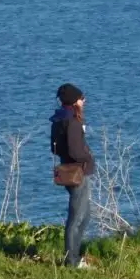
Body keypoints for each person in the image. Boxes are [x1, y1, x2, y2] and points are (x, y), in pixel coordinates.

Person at [50, 83, 95, 268]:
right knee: (77, 218)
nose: (83, 101)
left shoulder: (59, 119)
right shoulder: (73, 123)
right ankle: (72, 261)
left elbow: (55, 148)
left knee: (84, 216)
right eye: (81, 98)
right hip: (78, 172)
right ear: (74, 101)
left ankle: (75, 256)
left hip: (68, 169)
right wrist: (89, 156)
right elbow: (76, 151)